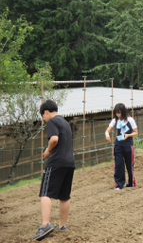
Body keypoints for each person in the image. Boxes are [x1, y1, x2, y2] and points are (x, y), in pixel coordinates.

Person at [33, 100, 76, 240]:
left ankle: (45, 225)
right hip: (69, 162)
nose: (44, 120)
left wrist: (48, 151)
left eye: (43, 117)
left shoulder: (52, 121)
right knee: (64, 195)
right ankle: (62, 225)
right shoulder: (65, 122)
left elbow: (54, 139)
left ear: (46, 112)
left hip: (56, 162)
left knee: (45, 192)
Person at [105, 103, 138, 190]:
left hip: (128, 145)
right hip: (118, 145)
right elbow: (108, 130)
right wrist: (107, 134)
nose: (118, 115)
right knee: (118, 165)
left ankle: (131, 183)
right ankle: (119, 184)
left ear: (123, 112)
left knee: (129, 165)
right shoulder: (115, 120)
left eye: (119, 113)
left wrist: (128, 135)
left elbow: (136, 132)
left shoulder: (130, 120)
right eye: (116, 113)